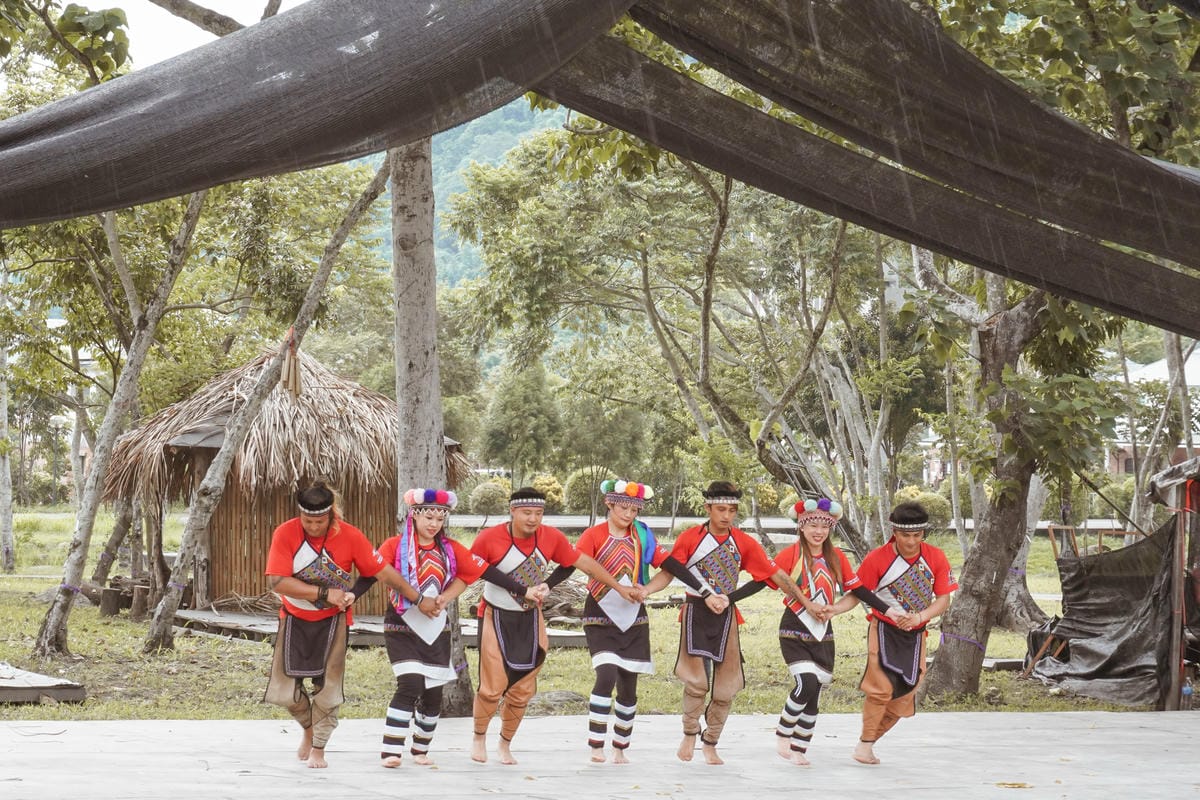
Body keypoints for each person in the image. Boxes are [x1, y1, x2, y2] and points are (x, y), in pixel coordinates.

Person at [350, 488, 547, 768]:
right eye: (428, 517)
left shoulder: (451, 549)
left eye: (439, 519)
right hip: (401, 624)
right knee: (409, 684)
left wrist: (522, 590)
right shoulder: (395, 546)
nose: (433, 524)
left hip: (436, 628)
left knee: (433, 693)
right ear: (414, 516)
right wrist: (351, 595)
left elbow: (481, 571)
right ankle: (391, 750)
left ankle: (420, 749)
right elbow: (371, 571)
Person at [469, 486, 643, 765]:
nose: (533, 519)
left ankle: (505, 742)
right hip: (495, 614)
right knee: (492, 686)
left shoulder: (550, 537)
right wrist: (520, 589)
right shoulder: (490, 538)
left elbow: (572, 563)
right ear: (512, 511)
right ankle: (479, 737)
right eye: (526, 513)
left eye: (538, 513)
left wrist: (546, 586)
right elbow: (477, 567)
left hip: (530, 617)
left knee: (524, 688)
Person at [263, 481, 427, 769]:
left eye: (320, 521)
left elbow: (380, 571)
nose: (313, 527)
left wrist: (418, 598)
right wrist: (325, 594)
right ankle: (308, 728)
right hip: (292, 618)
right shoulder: (285, 533)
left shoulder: (349, 536)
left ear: (332, 515)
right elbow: (277, 581)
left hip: (333, 622)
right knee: (283, 692)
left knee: (329, 690)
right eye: (308, 520)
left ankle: (318, 748)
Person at [729, 498, 901, 766]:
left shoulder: (836, 557)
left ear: (830, 528)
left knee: (816, 690)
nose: (818, 531)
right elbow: (762, 581)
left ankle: (800, 748)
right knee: (806, 682)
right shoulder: (790, 555)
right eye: (812, 526)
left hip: (824, 631)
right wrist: (728, 599)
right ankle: (784, 732)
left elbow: (858, 590)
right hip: (794, 627)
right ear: (801, 527)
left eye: (824, 526)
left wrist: (886, 610)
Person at [668, 480, 822, 765]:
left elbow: (771, 576)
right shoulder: (690, 538)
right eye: (721, 509)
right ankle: (689, 733)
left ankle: (711, 742)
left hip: (726, 616)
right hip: (694, 613)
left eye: (732, 510)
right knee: (696, 682)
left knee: (727, 686)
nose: (726, 515)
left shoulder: (743, 541)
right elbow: (671, 565)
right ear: (708, 508)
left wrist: (806, 602)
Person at [574, 479, 705, 763]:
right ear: (609, 504)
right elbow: (581, 562)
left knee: (628, 683)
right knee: (606, 673)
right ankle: (596, 743)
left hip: (634, 616)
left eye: (634, 511)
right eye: (623, 508)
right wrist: (618, 588)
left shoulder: (643, 537)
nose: (629, 515)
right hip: (600, 611)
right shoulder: (593, 535)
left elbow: (668, 568)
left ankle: (621, 746)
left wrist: (648, 589)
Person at [852, 501, 957, 765]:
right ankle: (865, 745)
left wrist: (920, 617)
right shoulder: (877, 558)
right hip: (884, 629)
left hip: (917, 633)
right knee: (880, 688)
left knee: (906, 693)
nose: (911, 541)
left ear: (923, 533)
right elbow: (857, 592)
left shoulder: (936, 557)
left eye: (917, 535)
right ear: (894, 532)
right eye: (905, 535)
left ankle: (869, 741)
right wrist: (831, 609)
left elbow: (944, 598)